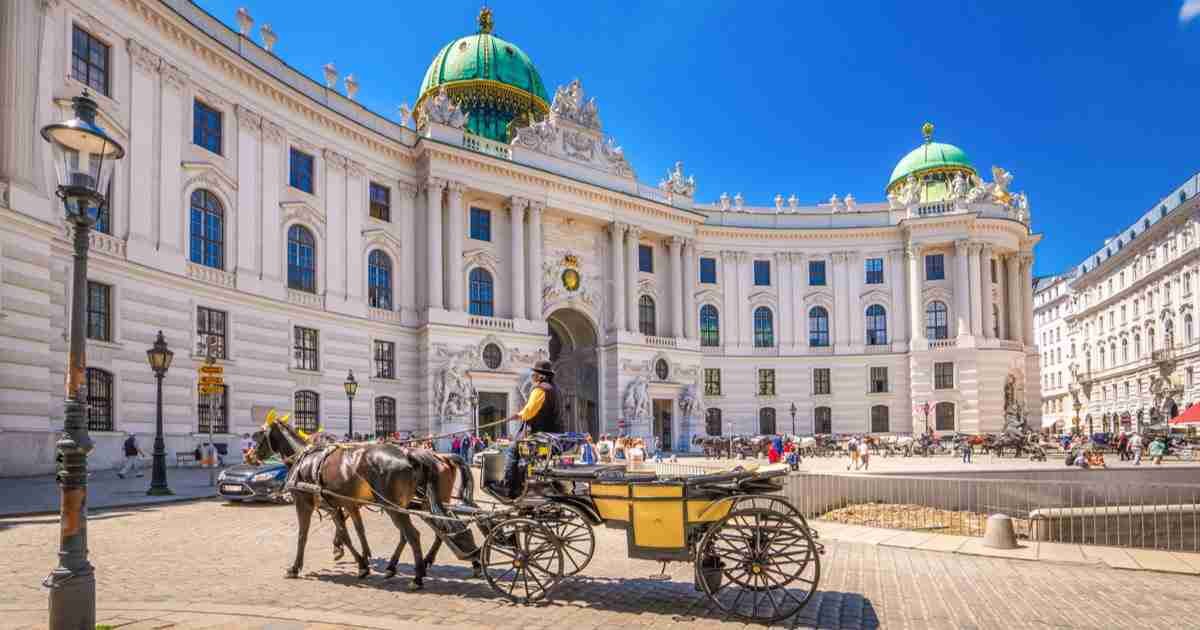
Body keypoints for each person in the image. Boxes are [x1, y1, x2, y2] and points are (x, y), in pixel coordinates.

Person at [490, 360, 562, 498]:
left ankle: (508, 486)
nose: (532, 376)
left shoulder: (541, 389)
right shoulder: (556, 390)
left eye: (534, 374)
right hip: (553, 434)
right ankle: (520, 483)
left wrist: (518, 415)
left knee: (512, 450)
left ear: (540, 376)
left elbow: (529, 411)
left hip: (540, 434)